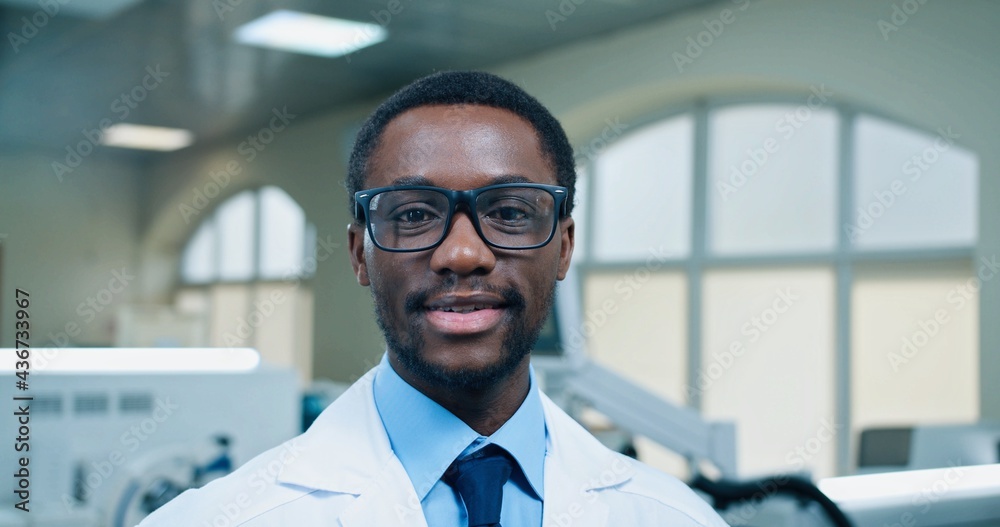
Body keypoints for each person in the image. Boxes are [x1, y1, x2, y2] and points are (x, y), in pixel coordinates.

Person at [139, 71, 729, 527]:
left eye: (510, 212)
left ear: (565, 246)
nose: (462, 254)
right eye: (415, 215)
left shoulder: (675, 516)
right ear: (358, 253)